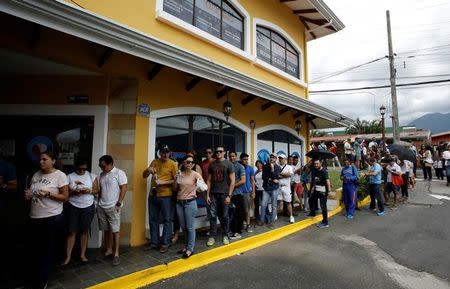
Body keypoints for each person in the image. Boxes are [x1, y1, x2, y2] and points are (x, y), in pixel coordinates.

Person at [24, 151, 69, 289]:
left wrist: (48, 194)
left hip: (51, 217)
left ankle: (43, 279)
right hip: (35, 216)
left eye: (44, 159)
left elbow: (65, 197)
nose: (41, 162)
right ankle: (35, 276)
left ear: (53, 160)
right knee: (35, 249)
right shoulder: (36, 174)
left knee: (46, 250)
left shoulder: (59, 175)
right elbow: (32, 193)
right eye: (40, 159)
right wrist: (28, 196)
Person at [62, 159, 98, 266]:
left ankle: (82, 254)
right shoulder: (69, 177)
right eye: (80, 169)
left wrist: (89, 191)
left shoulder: (92, 176)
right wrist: (74, 192)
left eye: (84, 169)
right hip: (73, 206)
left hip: (88, 205)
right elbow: (65, 192)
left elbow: (97, 190)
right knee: (72, 231)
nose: (82, 171)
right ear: (75, 167)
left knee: (84, 231)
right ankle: (68, 256)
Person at [143, 145, 177, 254]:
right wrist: (148, 170)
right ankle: (154, 243)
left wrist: (163, 182)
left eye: (167, 152)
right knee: (153, 219)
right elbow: (144, 176)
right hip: (153, 195)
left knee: (167, 220)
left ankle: (165, 243)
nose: (165, 154)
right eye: (163, 152)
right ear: (160, 152)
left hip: (166, 196)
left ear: (170, 153)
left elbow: (177, 181)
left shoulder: (173, 164)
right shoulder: (154, 161)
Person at [97, 154, 128, 266]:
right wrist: (98, 203)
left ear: (110, 164)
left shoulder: (119, 173)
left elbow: (124, 187)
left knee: (115, 230)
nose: (101, 168)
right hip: (102, 206)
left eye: (103, 166)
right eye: (100, 166)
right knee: (106, 229)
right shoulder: (102, 174)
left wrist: (119, 202)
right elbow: (101, 190)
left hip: (113, 206)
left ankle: (116, 253)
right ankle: (108, 249)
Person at [172, 155, 202, 258]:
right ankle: (185, 246)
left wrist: (198, 187)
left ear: (193, 164)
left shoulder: (196, 174)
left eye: (191, 162)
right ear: (183, 163)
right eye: (187, 162)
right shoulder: (180, 174)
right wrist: (176, 179)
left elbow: (202, 187)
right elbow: (175, 189)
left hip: (190, 203)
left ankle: (190, 249)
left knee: (190, 227)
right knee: (184, 227)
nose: (189, 164)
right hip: (180, 203)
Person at [206, 146, 235, 246]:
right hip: (213, 194)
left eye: (220, 151)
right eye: (217, 151)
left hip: (224, 194)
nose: (218, 153)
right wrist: (207, 195)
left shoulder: (229, 164)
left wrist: (229, 196)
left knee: (225, 216)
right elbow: (209, 181)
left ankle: (225, 235)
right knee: (213, 215)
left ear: (224, 153)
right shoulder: (212, 165)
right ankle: (212, 236)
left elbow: (232, 181)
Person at [258, 153, 281, 227]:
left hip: (274, 188)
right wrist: (271, 179)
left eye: (273, 157)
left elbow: (276, 177)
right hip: (266, 188)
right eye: (271, 157)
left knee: (274, 206)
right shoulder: (265, 166)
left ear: (276, 158)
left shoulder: (278, 167)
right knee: (263, 205)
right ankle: (262, 221)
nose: (272, 158)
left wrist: (272, 169)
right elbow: (263, 177)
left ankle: (272, 222)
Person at [307, 159, 331, 228]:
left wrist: (329, 191)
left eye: (317, 163)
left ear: (321, 163)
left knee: (323, 206)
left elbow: (327, 181)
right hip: (317, 189)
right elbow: (315, 180)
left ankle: (325, 222)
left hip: (323, 191)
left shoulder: (324, 171)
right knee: (311, 199)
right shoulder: (315, 170)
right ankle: (312, 213)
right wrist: (312, 189)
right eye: (315, 164)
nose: (316, 165)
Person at [228, 151, 246, 240]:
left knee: (238, 214)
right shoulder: (227, 165)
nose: (232, 158)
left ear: (236, 156)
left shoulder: (240, 167)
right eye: (230, 156)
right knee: (230, 214)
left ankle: (238, 232)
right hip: (228, 195)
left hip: (237, 194)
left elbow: (243, 180)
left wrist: (232, 186)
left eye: (233, 156)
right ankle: (232, 230)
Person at [239, 153, 255, 232]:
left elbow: (252, 180)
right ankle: (241, 224)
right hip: (238, 192)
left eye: (247, 159)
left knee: (247, 209)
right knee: (239, 210)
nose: (246, 161)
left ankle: (248, 224)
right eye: (244, 159)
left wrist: (253, 192)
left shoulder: (250, 168)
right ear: (241, 159)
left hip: (246, 192)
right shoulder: (238, 167)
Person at [277, 154, 295, 223]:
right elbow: (275, 175)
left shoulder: (289, 167)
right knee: (278, 201)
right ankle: (276, 215)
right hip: (278, 187)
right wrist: (284, 174)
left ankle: (291, 216)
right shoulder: (277, 166)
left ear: (285, 159)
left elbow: (290, 174)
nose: (280, 160)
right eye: (280, 158)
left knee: (288, 202)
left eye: (282, 158)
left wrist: (280, 174)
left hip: (286, 187)